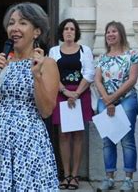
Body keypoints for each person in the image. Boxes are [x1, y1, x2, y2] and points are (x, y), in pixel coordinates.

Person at [0, 2, 60, 190]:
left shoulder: (47, 64)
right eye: (11, 23)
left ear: (36, 31)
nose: (15, 28)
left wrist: (36, 76)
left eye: (22, 23)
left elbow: (46, 111)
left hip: (29, 142)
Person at [94, 21, 138, 192]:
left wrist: (113, 98)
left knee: (127, 141)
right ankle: (109, 178)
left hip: (127, 100)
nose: (110, 34)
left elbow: (132, 79)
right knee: (108, 141)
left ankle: (128, 180)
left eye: (114, 31)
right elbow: (97, 80)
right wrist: (107, 100)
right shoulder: (102, 58)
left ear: (121, 34)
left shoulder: (132, 55)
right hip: (105, 101)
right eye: (108, 32)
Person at [48, 18, 95, 190]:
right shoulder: (54, 51)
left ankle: (75, 176)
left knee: (78, 135)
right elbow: (51, 73)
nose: (69, 32)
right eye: (66, 29)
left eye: (72, 29)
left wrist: (76, 93)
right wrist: (66, 92)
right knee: (64, 135)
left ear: (76, 33)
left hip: (80, 94)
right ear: (62, 32)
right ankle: (65, 175)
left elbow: (90, 73)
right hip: (61, 94)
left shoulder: (85, 50)